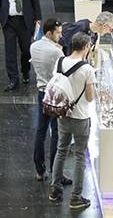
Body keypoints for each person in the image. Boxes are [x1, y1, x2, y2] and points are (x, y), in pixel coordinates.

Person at [48, 33, 96, 210]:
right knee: (79, 156)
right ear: (85, 47)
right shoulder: (87, 69)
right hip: (80, 117)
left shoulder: (60, 62)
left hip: (62, 114)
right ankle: (75, 197)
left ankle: (54, 188)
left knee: (61, 150)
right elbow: (90, 98)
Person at [30, 19, 69, 183]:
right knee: (57, 133)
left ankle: (40, 170)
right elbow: (65, 72)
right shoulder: (56, 52)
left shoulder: (34, 46)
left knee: (41, 131)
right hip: (55, 94)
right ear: (49, 33)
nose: (60, 35)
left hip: (42, 93)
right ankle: (56, 172)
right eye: (58, 33)